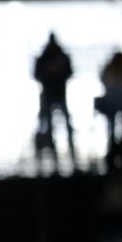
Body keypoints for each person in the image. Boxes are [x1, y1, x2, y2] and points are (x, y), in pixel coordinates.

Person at [34, 33, 75, 167]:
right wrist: (48, 72)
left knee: (67, 125)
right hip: (48, 95)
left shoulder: (61, 57)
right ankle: (53, 155)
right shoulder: (44, 58)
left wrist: (58, 72)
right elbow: (37, 74)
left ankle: (71, 150)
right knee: (47, 125)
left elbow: (69, 72)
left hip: (59, 94)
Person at [98, 51, 122, 168]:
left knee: (111, 130)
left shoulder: (108, 69)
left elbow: (103, 79)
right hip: (114, 106)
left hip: (111, 106)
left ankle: (113, 152)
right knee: (112, 130)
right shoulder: (110, 70)